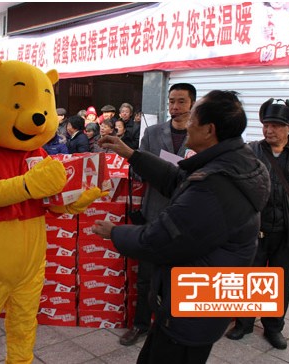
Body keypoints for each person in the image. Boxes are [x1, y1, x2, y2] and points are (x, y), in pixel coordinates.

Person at [92, 90, 271, 364]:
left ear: (209, 130)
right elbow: (179, 178)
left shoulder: (215, 186)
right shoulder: (237, 162)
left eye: (193, 117)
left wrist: (113, 232)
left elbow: (159, 240)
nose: (187, 123)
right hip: (204, 297)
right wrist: (132, 154)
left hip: (194, 307)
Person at [225, 98, 289, 350]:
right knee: (248, 279)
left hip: (288, 233)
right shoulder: (250, 151)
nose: (270, 130)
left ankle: (273, 327)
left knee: (280, 283)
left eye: (277, 125)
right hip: (254, 231)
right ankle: (244, 323)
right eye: (266, 124)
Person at [120, 83, 196, 346]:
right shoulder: (152, 134)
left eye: (181, 102)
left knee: (179, 276)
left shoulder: (202, 136)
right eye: (171, 101)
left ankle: (172, 326)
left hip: (187, 217)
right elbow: (137, 170)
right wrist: (159, 169)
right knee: (146, 277)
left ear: (192, 105)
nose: (175, 107)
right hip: (154, 212)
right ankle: (140, 324)